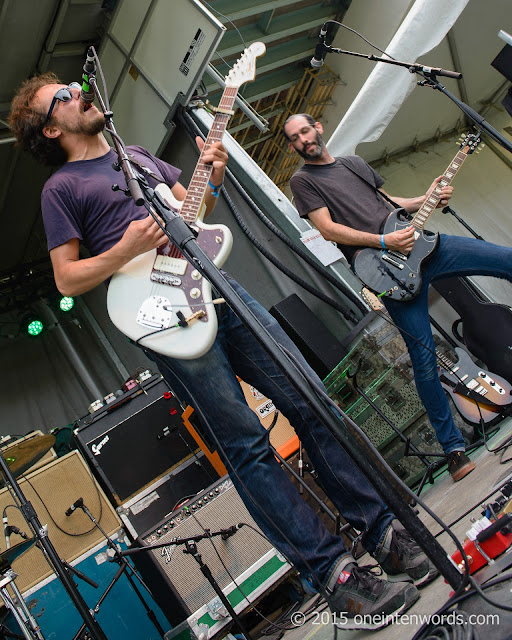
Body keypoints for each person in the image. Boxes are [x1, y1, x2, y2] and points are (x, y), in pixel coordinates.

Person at [10, 74, 440, 630]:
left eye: (75, 85)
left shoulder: (133, 155)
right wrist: (127, 246)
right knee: (247, 443)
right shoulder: (60, 190)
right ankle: (335, 574)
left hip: (220, 288)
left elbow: (195, 210)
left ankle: (382, 530)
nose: (78, 91)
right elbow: (67, 278)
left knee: (310, 399)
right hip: (166, 317)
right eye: (63, 96)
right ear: (50, 127)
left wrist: (209, 173)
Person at [285, 112, 512, 482]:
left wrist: (427, 198)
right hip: (386, 269)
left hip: (423, 246)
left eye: (306, 131)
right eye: (295, 138)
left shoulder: (354, 164)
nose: (303, 140)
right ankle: (454, 451)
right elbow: (327, 230)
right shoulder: (303, 180)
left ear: (319, 128)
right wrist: (382, 241)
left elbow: (389, 204)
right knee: (424, 359)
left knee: (505, 260)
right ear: (293, 144)